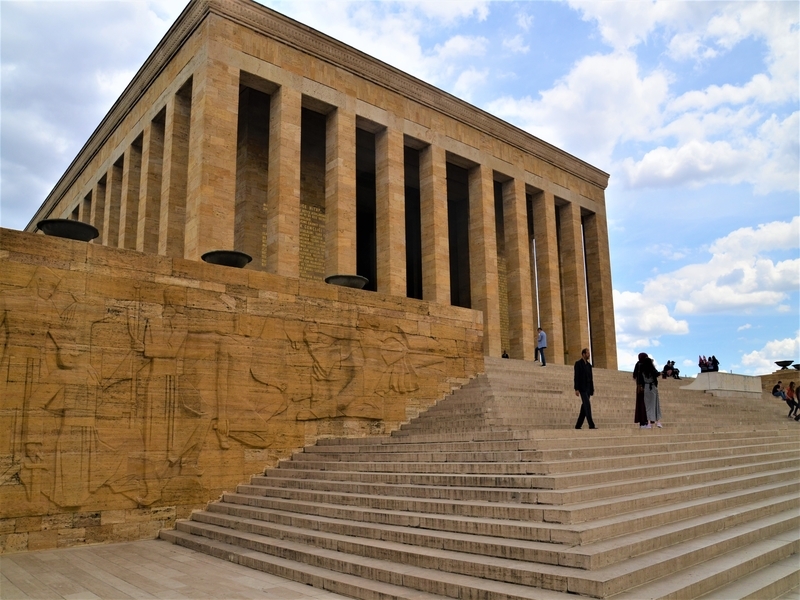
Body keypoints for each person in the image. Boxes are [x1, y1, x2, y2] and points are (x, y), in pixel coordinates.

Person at [636, 355, 662, 428]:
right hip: (653, 387)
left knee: (647, 406)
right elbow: (657, 374)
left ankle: (649, 423)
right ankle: (658, 421)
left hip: (646, 388)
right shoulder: (653, 370)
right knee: (655, 405)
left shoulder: (643, 371)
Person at [573, 347, 596, 429]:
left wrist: (592, 389)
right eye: (587, 353)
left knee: (584, 407)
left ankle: (578, 425)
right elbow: (576, 376)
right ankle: (591, 425)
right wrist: (576, 389)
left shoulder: (589, 366)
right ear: (583, 354)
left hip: (588, 388)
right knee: (587, 405)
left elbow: (591, 378)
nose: (589, 355)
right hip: (582, 388)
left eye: (589, 353)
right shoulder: (578, 364)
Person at [633, 353, 650, 427]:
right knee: (645, 404)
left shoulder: (638, 364)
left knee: (640, 405)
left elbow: (635, 375)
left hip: (639, 388)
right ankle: (645, 421)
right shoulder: (645, 364)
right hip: (645, 387)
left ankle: (642, 422)